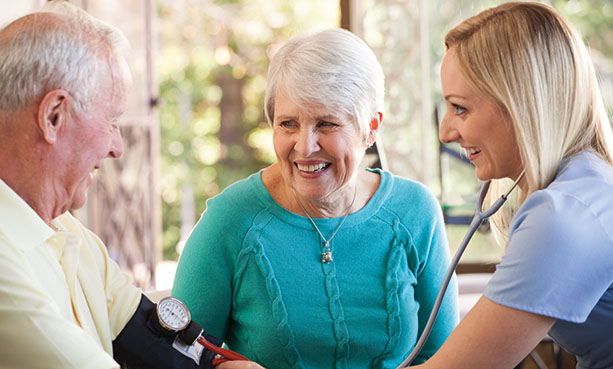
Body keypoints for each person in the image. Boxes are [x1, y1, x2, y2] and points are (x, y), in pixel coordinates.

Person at [172, 28, 459, 369]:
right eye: (288, 124)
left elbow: (445, 358)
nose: (305, 147)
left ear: (371, 128)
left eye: (326, 124)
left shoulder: (415, 212)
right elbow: (174, 358)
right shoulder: (231, 220)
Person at [0, 2, 259, 369]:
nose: (118, 147)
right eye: (111, 120)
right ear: (53, 116)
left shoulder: (66, 232)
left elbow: (152, 342)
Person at [411, 2, 613, 368]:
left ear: (521, 105)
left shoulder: (562, 216)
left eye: (460, 108)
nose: (445, 133)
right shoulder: (590, 183)